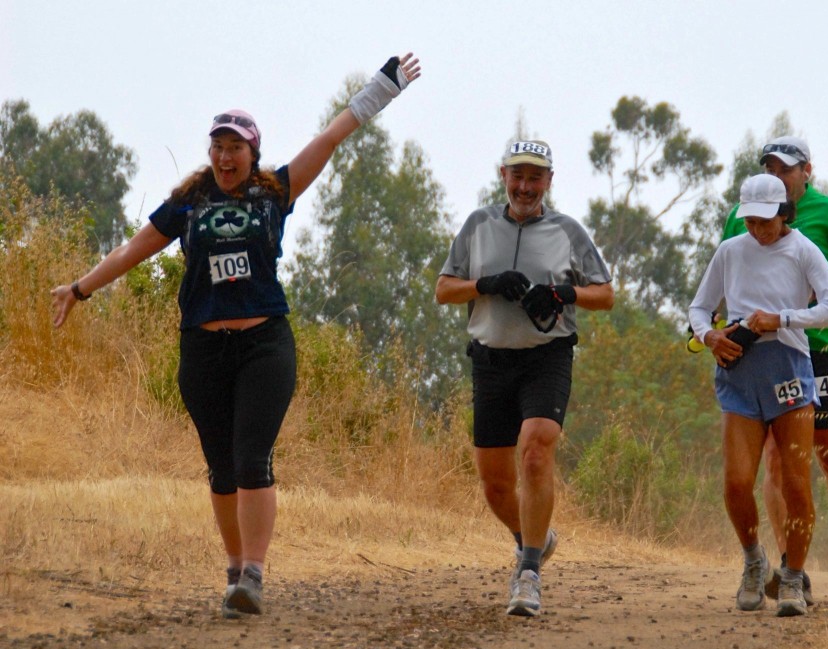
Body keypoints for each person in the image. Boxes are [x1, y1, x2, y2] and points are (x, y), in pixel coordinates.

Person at [51, 53, 422, 618]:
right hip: (202, 349)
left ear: (253, 154)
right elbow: (132, 250)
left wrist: (382, 88)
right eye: (218, 148)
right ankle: (234, 569)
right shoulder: (189, 203)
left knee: (253, 457)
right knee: (221, 467)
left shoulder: (274, 193)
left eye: (236, 148)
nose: (225, 157)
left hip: (264, 345)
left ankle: (253, 572)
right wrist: (79, 289)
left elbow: (330, 138)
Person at [435, 140, 614, 617]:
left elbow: (606, 294)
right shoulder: (477, 225)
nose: (525, 186)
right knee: (495, 484)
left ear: (549, 182)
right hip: (490, 359)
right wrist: (485, 285)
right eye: (518, 176)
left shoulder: (567, 230)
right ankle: (532, 538)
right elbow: (443, 289)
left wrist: (563, 293)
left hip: (546, 357)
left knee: (536, 450)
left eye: (536, 178)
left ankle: (529, 572)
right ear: (503, 176)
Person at [722, 136, 828, 600]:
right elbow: (729, 273)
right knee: (775, 459)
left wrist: (805, 294)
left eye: (786, 169)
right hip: (764, 352)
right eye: (770, 168)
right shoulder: (741, 217)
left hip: (823, 344)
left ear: (807, 171)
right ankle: (794, 566)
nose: (779, 176)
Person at [691, 173, 828, 617]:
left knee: (796, 482)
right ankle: (753, 560)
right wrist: (710, 337)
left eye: (766, 220)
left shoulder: (802, 250)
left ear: (784, 214)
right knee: (737, 482)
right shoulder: (730, 251)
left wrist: (781, 318)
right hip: (739, 372)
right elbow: (699, 308)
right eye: (750, 221)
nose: (757, 230)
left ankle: (794, 576)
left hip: (789, 370)